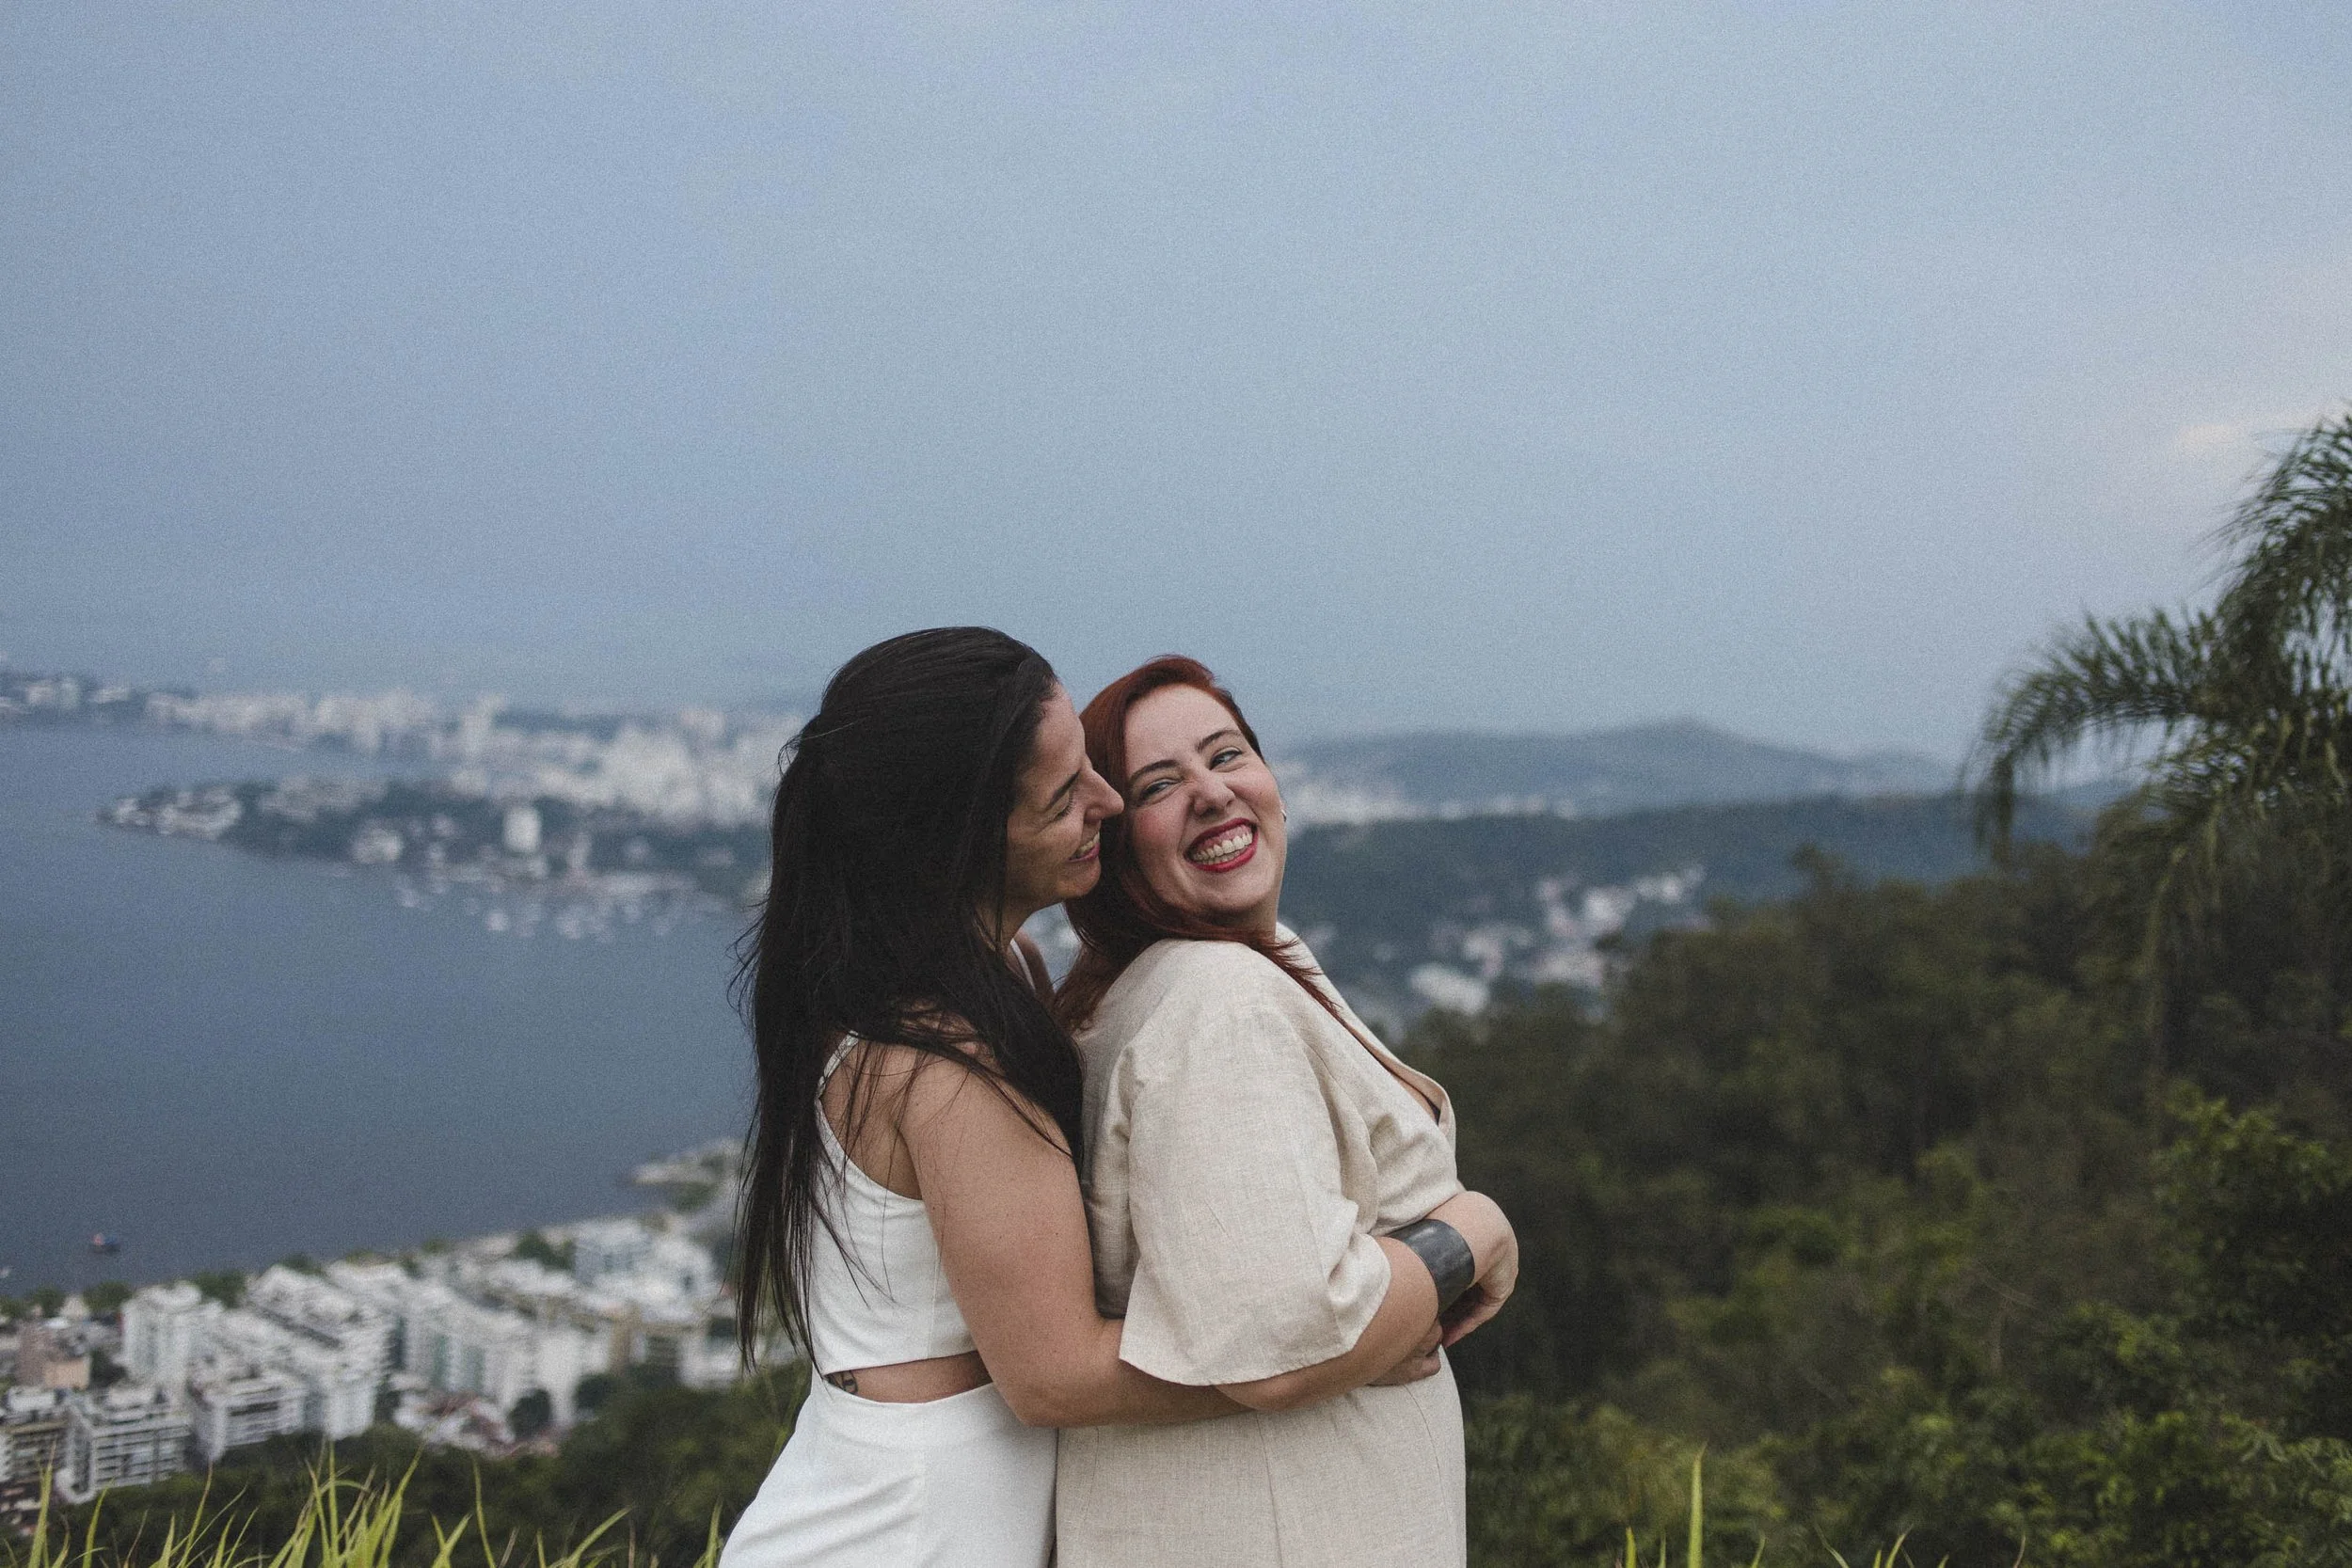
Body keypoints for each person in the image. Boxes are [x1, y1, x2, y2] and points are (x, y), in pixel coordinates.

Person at [720, 629, 1484, 1568]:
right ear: (964, 836)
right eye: (1064, 795)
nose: (1107, 803)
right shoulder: (944, 1052)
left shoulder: (994, 973)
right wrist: (1367, 1328)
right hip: (912, 1523)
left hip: (932, 1487)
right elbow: (1056, 1375)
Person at [1055, 656, 1518, 1568]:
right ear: (1110, 840)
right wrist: (1475, 1233)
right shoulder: (1214, 996)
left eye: (1226, 754)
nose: (1209, 792)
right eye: (1157, 783)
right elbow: (1283, 1338)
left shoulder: (1218, 967)